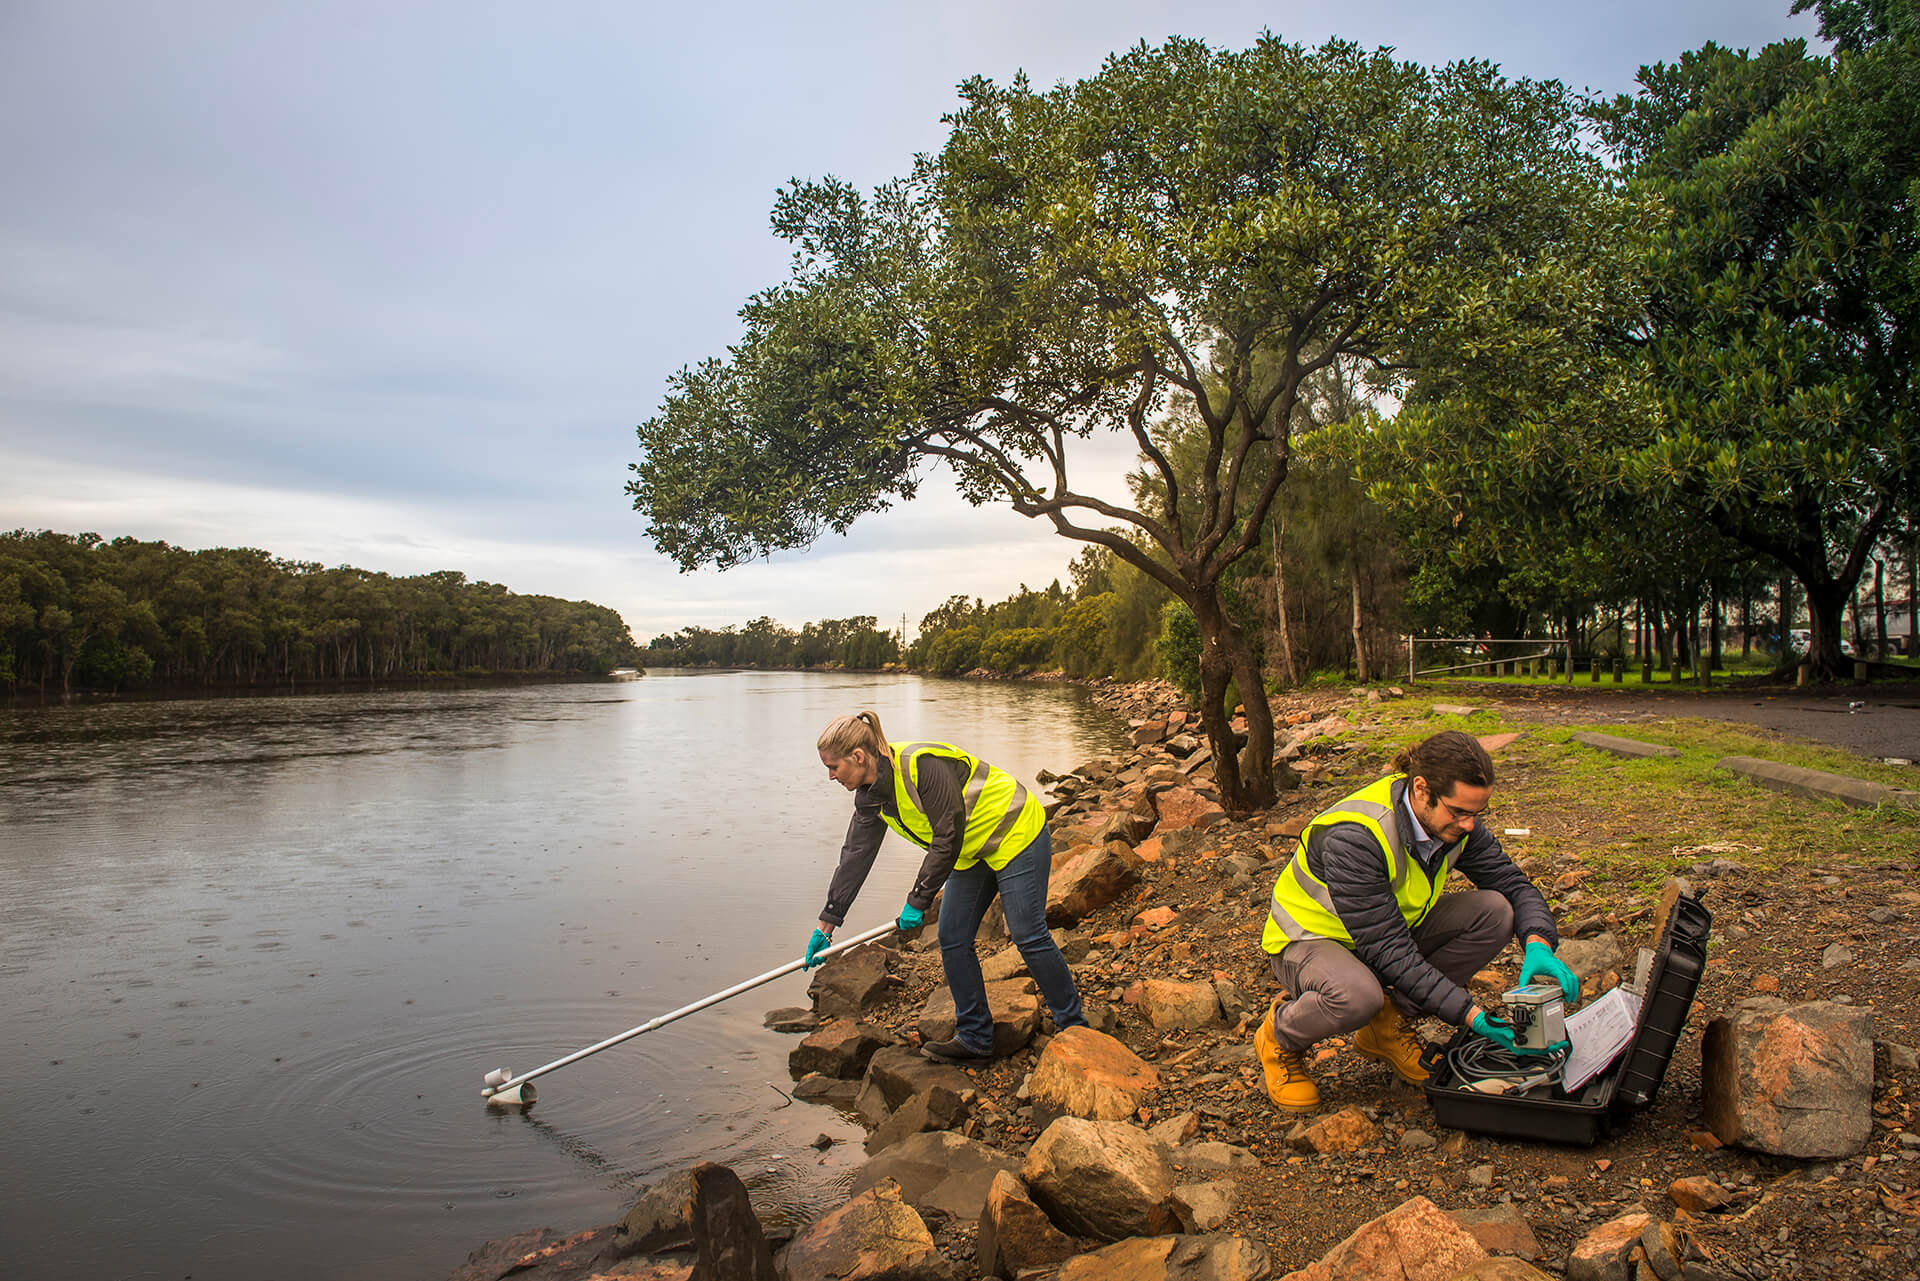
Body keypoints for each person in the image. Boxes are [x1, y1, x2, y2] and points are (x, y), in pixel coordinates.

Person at [1254, 729, 1580, 1110]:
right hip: (1309, 940)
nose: (1469, 825)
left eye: (1477, 813)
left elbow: (1512, 885)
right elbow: (1388, 951)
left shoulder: (1457, 824)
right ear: (1421, 789)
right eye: (1459, 812)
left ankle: (1386, 1025)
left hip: (1385, 935)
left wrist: (1539, 943)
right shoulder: (1356, 836)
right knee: (1357, 995)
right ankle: (1280, 1037)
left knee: (1497, 912)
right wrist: (1471, 1016)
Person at [804, 709, 1088, 1062]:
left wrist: (918, 900)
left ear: (858, 757)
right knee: (952, 937)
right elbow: (855, 857)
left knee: (1027, 933)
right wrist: (828, 923)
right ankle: (976, 1038)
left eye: (833, 767)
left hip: (1015, 833)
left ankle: (1074, 1027)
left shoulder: (921, 765)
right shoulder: (870, 796)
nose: (831, 776)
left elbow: (947, 835)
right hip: (971, 853)